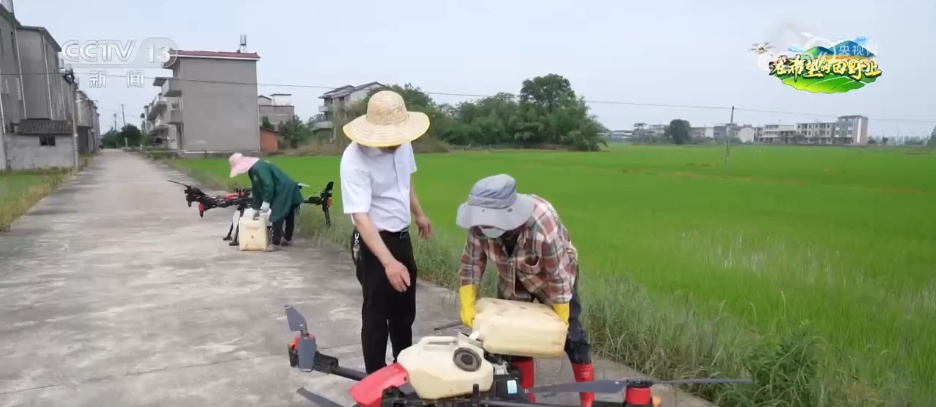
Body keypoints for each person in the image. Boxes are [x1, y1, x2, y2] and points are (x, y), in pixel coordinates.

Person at [455, 174, 595, 407]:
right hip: (512, 279)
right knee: (514, 339)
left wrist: (560, 318)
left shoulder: (541, 221)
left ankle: (588, 398)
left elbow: (558, 274)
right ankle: (524, 398)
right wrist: (467, 300)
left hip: (550, 279)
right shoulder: (477, 226)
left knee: (573, 337)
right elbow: (471, 263)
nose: (485, 227)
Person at [339, 90, 433, 374]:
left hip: (402, 237)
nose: (396, 143)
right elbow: (361, 217)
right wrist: (388, 262)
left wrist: (418, 214)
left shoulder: (403, 145)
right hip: (374, 243)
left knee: (404, 314)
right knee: (377, 316)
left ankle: (403, 371)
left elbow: (406, 183)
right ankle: (376, 379)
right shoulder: (355, 159)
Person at [228, 153, 304, 251]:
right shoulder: (254, 169)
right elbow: (257, 189)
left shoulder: (258, 167)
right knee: (288, 213)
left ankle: (276, 243)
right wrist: (255, 207)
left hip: (283, 188)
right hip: (285, 187)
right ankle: (287, 239)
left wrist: (266, 201)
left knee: (277, 215)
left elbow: (268, 184)